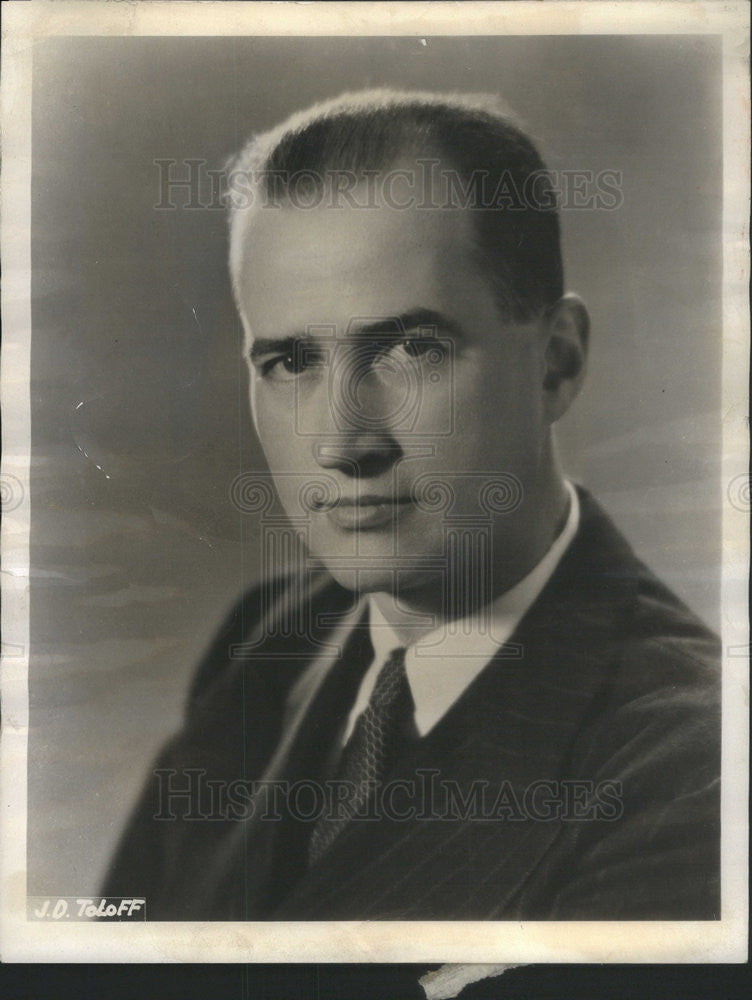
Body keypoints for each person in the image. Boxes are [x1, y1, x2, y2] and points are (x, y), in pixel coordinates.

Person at [103, 90, 720, 920]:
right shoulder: (271, 638)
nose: (342, 442)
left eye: (410, 348)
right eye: (291, 360)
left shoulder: (692, 767)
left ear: (557, 365)